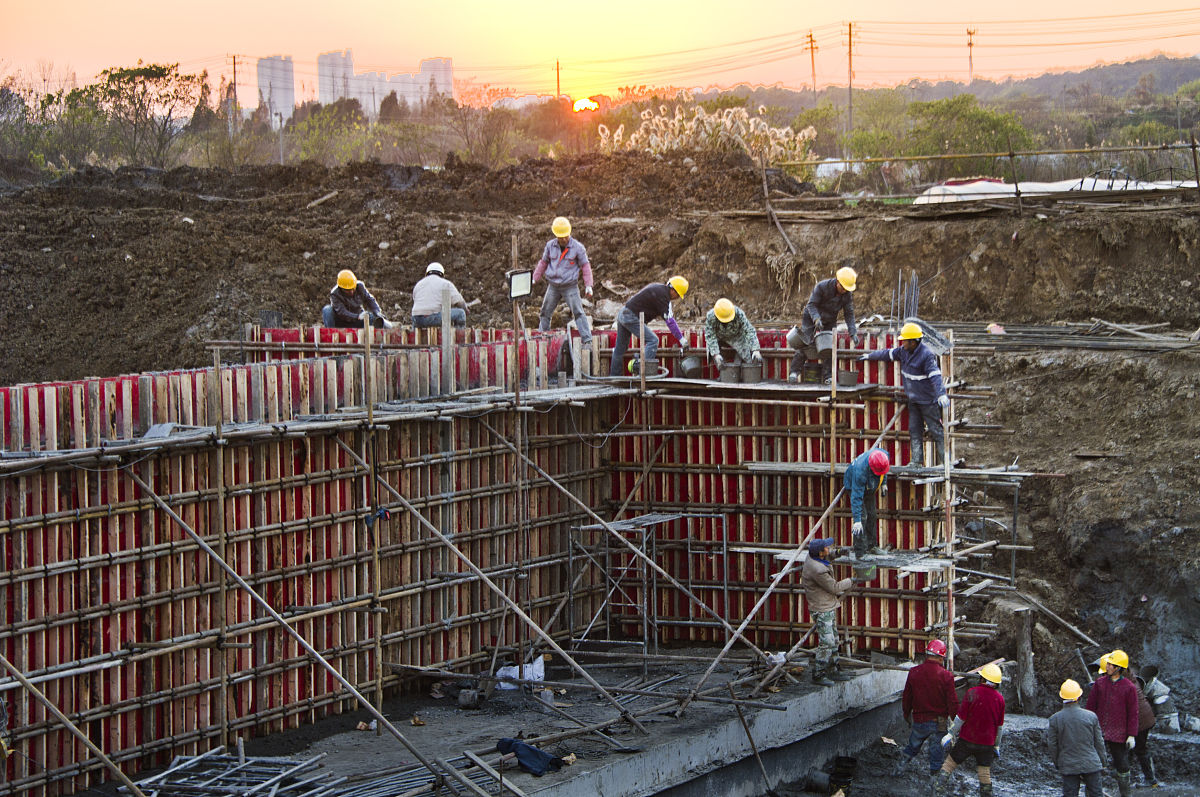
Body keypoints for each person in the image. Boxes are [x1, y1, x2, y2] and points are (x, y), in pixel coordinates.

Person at [859, 322, 948, 468]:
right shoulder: (903, 351)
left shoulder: (926, 355)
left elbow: (935, 376)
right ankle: (916, 462)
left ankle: (946, 464)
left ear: (914, 341)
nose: (903, 343)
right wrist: (869, 355)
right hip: (913, 401)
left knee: (936, 431)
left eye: (905, 341)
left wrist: (941, 394)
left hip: (928, 402)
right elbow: (887, 354)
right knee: (914, 430)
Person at [933, 663, 1006, 797]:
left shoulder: (972, 693)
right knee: (984, 773)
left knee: (949, 764)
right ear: (997, 683)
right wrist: (996, 745)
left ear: (982, 679)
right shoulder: (1000, 699)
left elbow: (960, 719)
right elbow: (999, 727)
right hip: (987, 744)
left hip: (967, 740)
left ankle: (937, 791)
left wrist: (950, 734)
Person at [894, 639, 959, 776]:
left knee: (912, 746)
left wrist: (906, 714)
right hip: (939, 722)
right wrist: (956, 721)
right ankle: (934, 781)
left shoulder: (914, 672)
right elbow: (952, 702)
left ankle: (898, 770)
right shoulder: (946, 676)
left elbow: (907, 697)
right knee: (936, 751)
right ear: (941, 657)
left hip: (919, 719)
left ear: (927, 655)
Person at [788, 266, 860, 385]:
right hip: (811, 317)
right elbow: (811, 305)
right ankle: (794, 372)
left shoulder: (847, 295)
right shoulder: (822, 286)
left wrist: (853, 332)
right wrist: (816, 319)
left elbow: (849, 313)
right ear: (837, 282)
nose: (844, 291)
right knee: (805, 342)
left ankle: (828, 376)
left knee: (829, 346)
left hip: (829, 320)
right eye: (843, 288)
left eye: (847, 289)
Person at [801, 537, 856, 687]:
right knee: (827, 642)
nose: (828, 549)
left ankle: (833, 669)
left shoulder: (813, 556)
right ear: (820, 552)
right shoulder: (817, 570)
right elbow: (834, 587)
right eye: (826, 548)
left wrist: (838, 552)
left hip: (827, 606)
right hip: (821, 609)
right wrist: (852, 580)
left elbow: (827, 557)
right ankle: (818, 674)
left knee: (834, 640)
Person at [1085, 649, 1139, 797]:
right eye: (1108, 664)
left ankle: (1125, 794)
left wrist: (1131, 735)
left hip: (1118, 733)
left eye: (1110, 664)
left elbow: (1133, 712)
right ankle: (1091, 793)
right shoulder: (1100, 684)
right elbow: (1090, 707)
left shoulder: (1129, 687)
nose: (1107, 666)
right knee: (1092, 763)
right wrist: (1088, 727)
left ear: (1118, 668)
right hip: (1099, 731)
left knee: (1122, 764)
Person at [609, 276, 688, 376]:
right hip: (630, 317)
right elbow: (670, 322)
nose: (677, 298)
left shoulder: (658, 289)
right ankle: (644, 375)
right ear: (673, 290)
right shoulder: (663, 297)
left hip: (623, 313)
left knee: (620, 349)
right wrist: (681, 339)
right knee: (653, 340)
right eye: (678, 295)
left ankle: (614, 377)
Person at [533, 217, 594, 345]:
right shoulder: (550, 246)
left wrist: (588, 285)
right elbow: (543, 263)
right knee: (545, 312)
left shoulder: (577, 248)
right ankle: (542, 338)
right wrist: (535, 278)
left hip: (570, 286)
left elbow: (585, 266)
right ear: (556, 236)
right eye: (561, 237)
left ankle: (587, 340)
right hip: (553, 286)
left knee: (578, 313)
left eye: (566, 236)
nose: (564, 239)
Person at [1048, 678, 1107, 797]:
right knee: (1096, 794)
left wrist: (1058, 763)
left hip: (1068, 765)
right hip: (1091, 763)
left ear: (1062, 697)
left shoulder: (1055, 719)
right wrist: (1103, 761)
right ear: (1079, 697)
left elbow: (1052, 745)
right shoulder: (1091, 716)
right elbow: (1099, 742)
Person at [843, 447, 890, 558]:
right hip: (855, 487)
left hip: (870, 486)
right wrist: (857, 520)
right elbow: (856, 497)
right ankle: (860, 552)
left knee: (872, 515)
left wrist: (884, 482)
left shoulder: (884, 456)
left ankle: (871, 546)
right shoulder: (860, 471)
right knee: (862, 518)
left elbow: (884, 471)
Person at [323, 269, 393, 329]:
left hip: (357, 321)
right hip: (341, 322)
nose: (351, 292)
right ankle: (331, 333)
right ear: (341, 288)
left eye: (353, 289)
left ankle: (370, 335)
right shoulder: (335, 294)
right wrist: (357, 316)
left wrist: (377, 311)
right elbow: (342, 312)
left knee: (370, 316)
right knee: (327, 310)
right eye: (348, 290)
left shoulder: (359, 286)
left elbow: (369, 299)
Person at [703, 298, 762, 370]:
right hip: (718, 338)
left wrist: (755, 350)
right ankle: (723, 372)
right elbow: (710, 335)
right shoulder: (711, 316)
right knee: (716, 358)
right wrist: (716, 354)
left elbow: (749, 330)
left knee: (748, 359)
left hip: (736, 337)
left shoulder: (738, 313)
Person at [411, 262, 467, 328]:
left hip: (416, 319)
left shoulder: (418, 284)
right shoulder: (445, 283)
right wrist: (466, 310)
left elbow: (415, 300)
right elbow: (459, 302)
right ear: (442, 274)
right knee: (461, 313)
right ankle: (459, 333)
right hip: (432, 318)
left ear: (427, 273)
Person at [1132, 663, 1160, 786]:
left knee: (1140, 748)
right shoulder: (1131, 677)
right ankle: (1124, 772)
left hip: (1141, 720)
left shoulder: (1125, 684)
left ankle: (1151, 779)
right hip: (1143, 717)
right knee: (1131, 747)